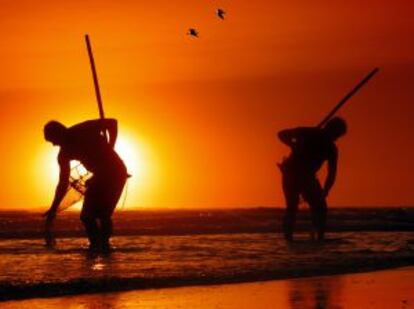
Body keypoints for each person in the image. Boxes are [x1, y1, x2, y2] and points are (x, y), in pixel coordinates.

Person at [43, 119, 128, 252]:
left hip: (116, 172)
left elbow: (112, 123)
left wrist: (111, 146)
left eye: (52, 140)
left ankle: (103, 246)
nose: (53, 144)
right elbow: (63, 182)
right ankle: (97, 245)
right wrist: (53, 208)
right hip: (100, 175)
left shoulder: (82, 129)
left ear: (59, 133)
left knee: (101, 215)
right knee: (89, 217)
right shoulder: (63, 154)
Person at [278, 117, 347, 241]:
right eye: (336, 135)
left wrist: (326, 190)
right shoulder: (308, 132)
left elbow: (331, 173)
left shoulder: (331, 148)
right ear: (330, 129)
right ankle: (288, 237)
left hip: (308, 177)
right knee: (292, 206)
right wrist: (293, 145)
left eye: (338, 136)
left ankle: (319, 236)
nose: (336, 138)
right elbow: (281, 134)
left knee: (320, 207)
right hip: (291, 173)